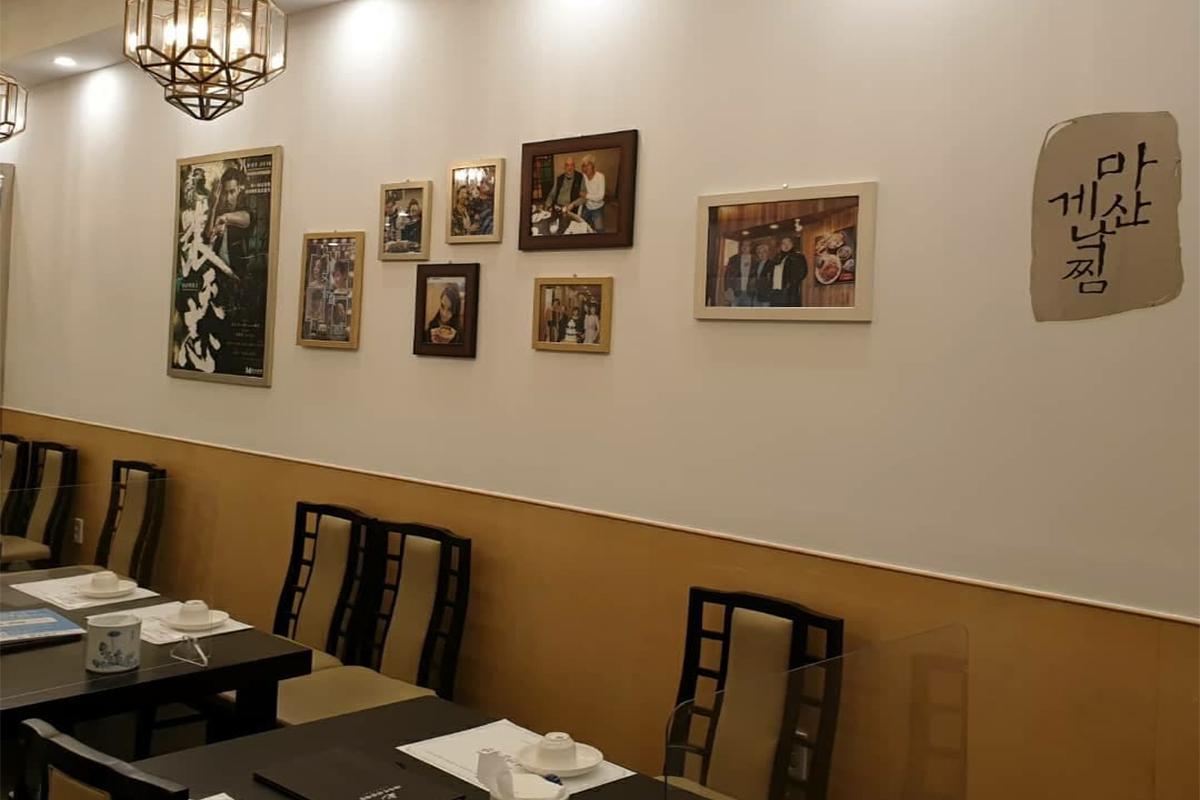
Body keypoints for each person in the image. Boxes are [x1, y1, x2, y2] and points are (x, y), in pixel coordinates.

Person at [767, 235, 808, 306]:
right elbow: (770, 273)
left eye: (788, 243)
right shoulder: (777, 257)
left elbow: (802, 273)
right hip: (775, 291)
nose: (786, 245)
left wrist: (791, 284)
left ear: (792, 244)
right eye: (783, 243)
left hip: (789, 292)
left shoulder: (798, 257)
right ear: (780, 246)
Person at [542, 157, 585, 223]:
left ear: (574, 166)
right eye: (567, 165)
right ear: (564, 167)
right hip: (557, 208)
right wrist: (547, 205)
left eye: (572, 165)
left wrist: (573, 204)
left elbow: (584, 197)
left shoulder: (580, 177)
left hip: (570, 210)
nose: (569, 168)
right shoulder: (559, 178)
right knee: (547, 223)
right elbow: (551, 195)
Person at [722, 240, 755, 306]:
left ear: (751, 247)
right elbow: (727, 275)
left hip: (749, 293)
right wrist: (728, 289)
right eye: (743, 245)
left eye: (747, 245)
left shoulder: (756, 260)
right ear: (741, 247)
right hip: (735, 292)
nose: (745, 247)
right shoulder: (733, 259)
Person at [579, 154, 606, 233]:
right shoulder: (583, 176)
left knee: (599, 230)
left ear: (593, 166)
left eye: (588, 165)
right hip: (587, 207)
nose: (586, 168)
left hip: (597, 208)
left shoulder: (600, 176)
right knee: (581, 226)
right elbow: (580, 194)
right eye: (584, 166)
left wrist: (586, 195)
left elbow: (600, 196)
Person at [749, 242, 774, 307]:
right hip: (756, 294)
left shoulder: (772, 264)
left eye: (764, 252)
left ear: (768, 253)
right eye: (759, 252)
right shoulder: (756, 264)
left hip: (766, 295)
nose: (762, 254)